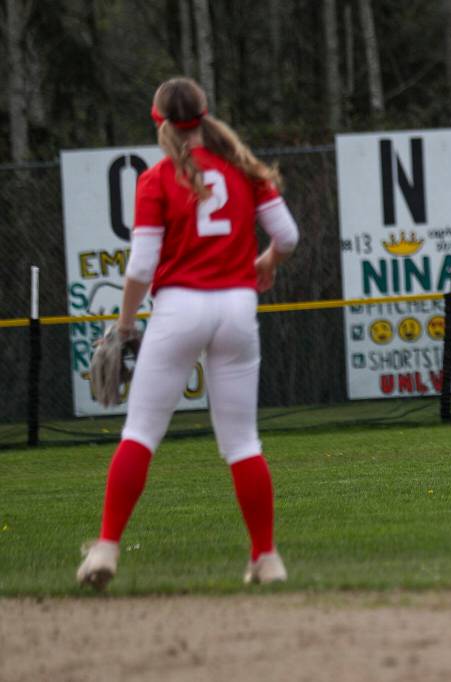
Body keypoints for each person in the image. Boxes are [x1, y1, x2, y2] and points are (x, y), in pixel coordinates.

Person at [76, 77, 300, 589]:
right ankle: (267, 558)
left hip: (180, 308)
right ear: (203, 116)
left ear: (159, 123)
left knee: (140, 434)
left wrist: (125, 324)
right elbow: (288, 236)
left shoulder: (157, 179)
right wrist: (266, 262)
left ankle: (107, 548)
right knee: (243, 443)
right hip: (238, 308)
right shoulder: (243, 171)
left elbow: (141, 265)